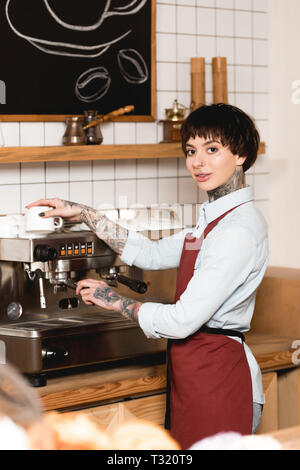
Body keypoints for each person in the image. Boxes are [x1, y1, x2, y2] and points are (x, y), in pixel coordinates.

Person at [27, 103, 268, 449]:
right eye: (191, 151)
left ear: (241, 154)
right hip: (198, 375)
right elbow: (150, 253)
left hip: (222, 380)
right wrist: (83, 213)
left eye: (212, 150)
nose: (198, 163)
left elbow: (181, 321)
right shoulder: (215, 220)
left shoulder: (236, 231)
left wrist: (115, 301)